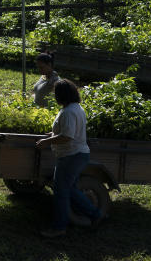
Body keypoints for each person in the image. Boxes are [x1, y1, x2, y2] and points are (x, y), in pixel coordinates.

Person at [35, 79, 104, 238]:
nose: (54, 97)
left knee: (60, 192)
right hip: (75, 155)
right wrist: (52, 135)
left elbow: (67, 137)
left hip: (71, 156)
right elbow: (66, 132)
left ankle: (59, 227)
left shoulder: (69, 112)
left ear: (62, 95)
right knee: (70, 189)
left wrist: (47, 141)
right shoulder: (75, 108)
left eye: (55, 94)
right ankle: (95, 214)